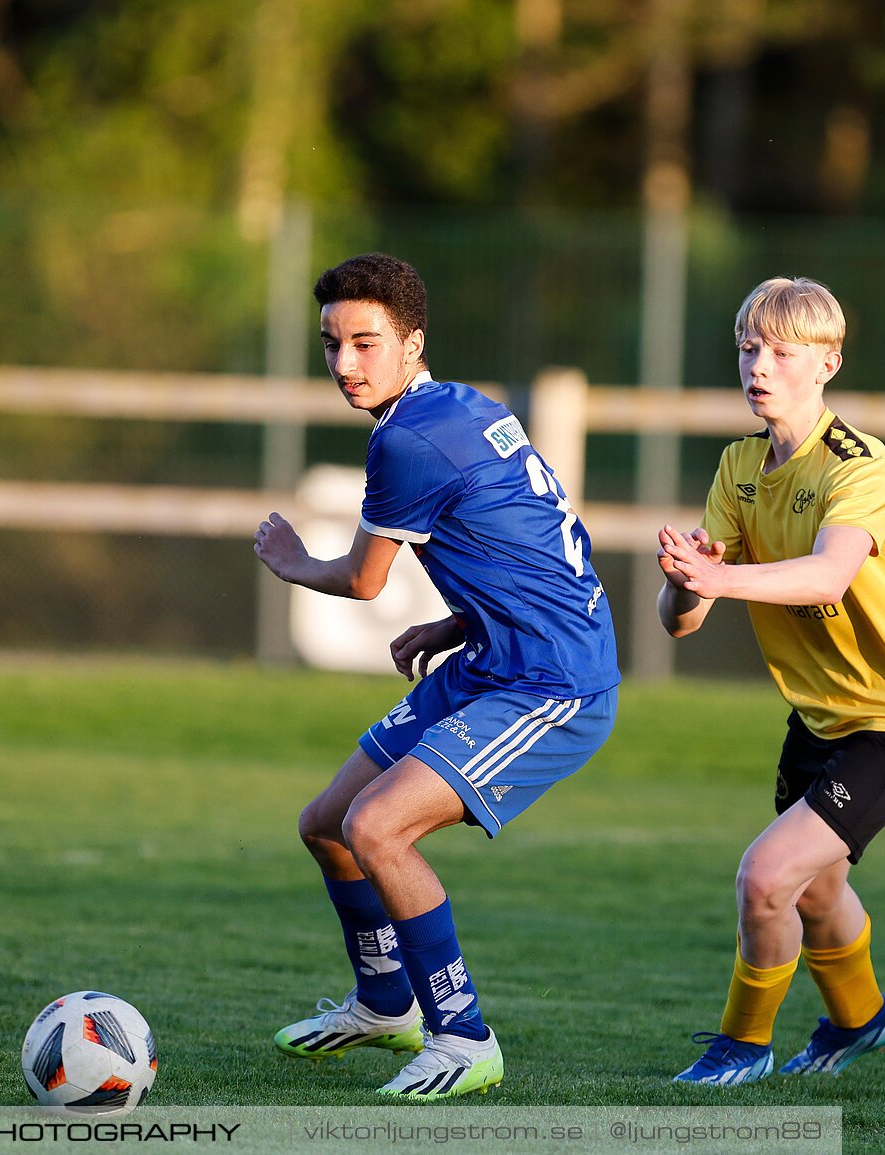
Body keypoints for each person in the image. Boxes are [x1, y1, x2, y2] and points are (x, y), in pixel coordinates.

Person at [254, 253, 620, 1100]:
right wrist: (459, 620)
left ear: (412, 342)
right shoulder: (465, 406)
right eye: (331, 343)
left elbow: (362, 579)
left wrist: (291, 560)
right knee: (328, 823)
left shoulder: (405, 441)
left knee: (378, 827)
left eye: (365, 343)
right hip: (491, 654)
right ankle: (386, 1005)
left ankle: (463, 1037)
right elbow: (538, 542)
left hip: (551, 684)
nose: (345, 363)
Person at [657, 276, 885, 1085]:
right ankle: (863, 1019)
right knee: (813, 890)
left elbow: (830, 575)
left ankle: (741, 1048)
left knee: (765, 877)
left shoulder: (859, 467)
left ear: (827, 364)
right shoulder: (738, 466)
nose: (758, 366)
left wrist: (719, 582)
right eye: (748, 349)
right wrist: (688, 578)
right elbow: (680, 621)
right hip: (822, 717)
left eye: (781, 353)